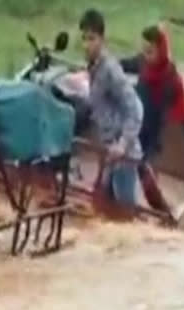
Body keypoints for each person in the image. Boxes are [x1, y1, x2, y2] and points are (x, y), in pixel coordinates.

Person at [79, 8, 144, 209]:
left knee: (125, 216)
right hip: (109, 152)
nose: (87, 45)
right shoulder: (93, 68)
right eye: (84, 39)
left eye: (92, 39)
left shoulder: (110, 70)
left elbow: (135, 108)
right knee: (104, 212)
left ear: (102, 39)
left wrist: (123, 144)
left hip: (123, 155)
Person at [120, 24, 184, 165]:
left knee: (141, 170)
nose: (145, 56)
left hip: (151, 141)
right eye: (144, 50)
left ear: (162, 51)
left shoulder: (172, 81)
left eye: (150, 51)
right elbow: (120, 65)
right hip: (131, 129)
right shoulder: (142, 63)